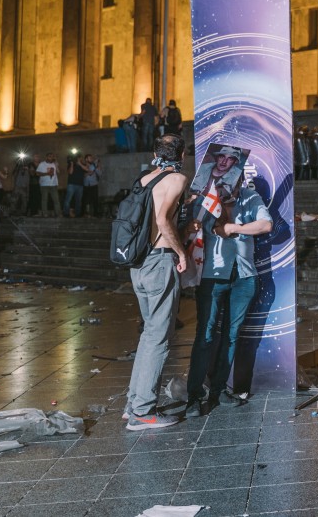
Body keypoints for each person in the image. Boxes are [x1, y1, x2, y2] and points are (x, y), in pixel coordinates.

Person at [185, 181, 273, 415]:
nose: (230, 188)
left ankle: (218, 389)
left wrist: (234, 228)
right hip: (212, 277)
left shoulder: (249, 197)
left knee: (231, 336)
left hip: (243, 277)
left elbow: (266, 224)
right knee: (205, 334)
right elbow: (188, 229)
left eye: (235, 182)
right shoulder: (205, 200)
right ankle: (194, 395)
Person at [124, 133, 188, 431]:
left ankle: (133, 404)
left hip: (138, 263)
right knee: (159, 339)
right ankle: (142, 412)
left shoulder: (145, 178)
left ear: (154, 152)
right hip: (160, 261)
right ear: (182, 155)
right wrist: (181, 251)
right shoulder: (176, 179)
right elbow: (162, 221)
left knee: (149, 335)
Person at [35, 152, 61, 218]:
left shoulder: (54, 164)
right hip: (44, 185)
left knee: (56, 200)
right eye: (50, 156)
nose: (51, 158)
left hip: (53, 184)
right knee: (44, 199)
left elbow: (58, 172)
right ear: (46, 157)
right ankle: (45, 213)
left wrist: (56, 165)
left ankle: (58, 213)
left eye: (52, 156)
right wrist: (47, 174)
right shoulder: (42, 164)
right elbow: (37, 173)